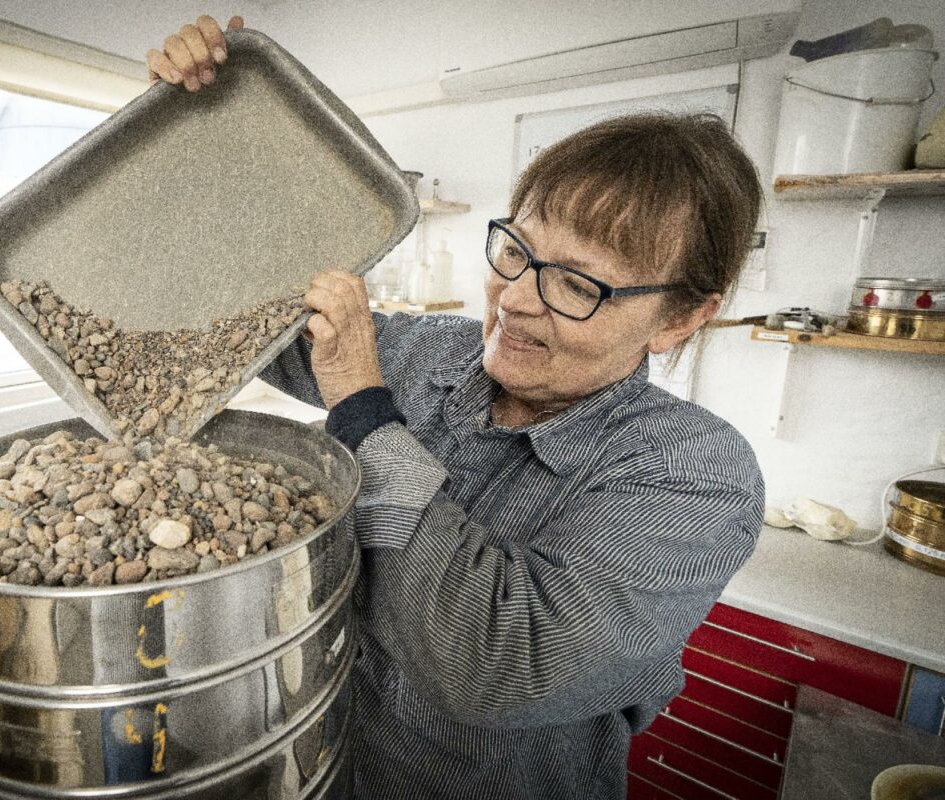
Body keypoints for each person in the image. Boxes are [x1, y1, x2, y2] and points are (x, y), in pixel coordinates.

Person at [149, 16, 765, 800]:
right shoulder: (436, 355)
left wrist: (364, 410)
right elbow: (250, 319)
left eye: (577, 284)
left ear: (682, 317)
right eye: (516, 251)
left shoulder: (694, 473)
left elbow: (498, 665)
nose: (515, 301)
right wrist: (195, 130)